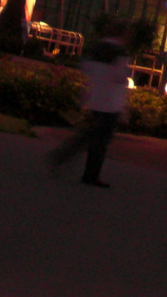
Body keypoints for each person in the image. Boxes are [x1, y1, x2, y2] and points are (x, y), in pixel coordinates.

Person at [47, 22, 130, 187]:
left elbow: (85, 67)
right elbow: (120, 76)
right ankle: (90, 174)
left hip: (95, 99)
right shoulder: (119, 52)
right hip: (111, 103)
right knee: (100, 142)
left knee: (89, 135)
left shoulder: (97, 48)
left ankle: (62, 156)